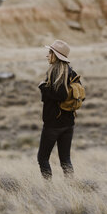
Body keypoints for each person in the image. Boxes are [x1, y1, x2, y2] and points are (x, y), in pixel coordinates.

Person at [37, 40, 77, 180]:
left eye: (50, 52)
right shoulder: (72, 73)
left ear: (56, 55)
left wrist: (43, 87)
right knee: (65, 160)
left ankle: (48, 190)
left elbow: (61, 95)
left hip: (53, 124)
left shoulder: (56, 72)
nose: (47, 56)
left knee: (42, 158)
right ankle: (71, 188)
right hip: (69, 123)